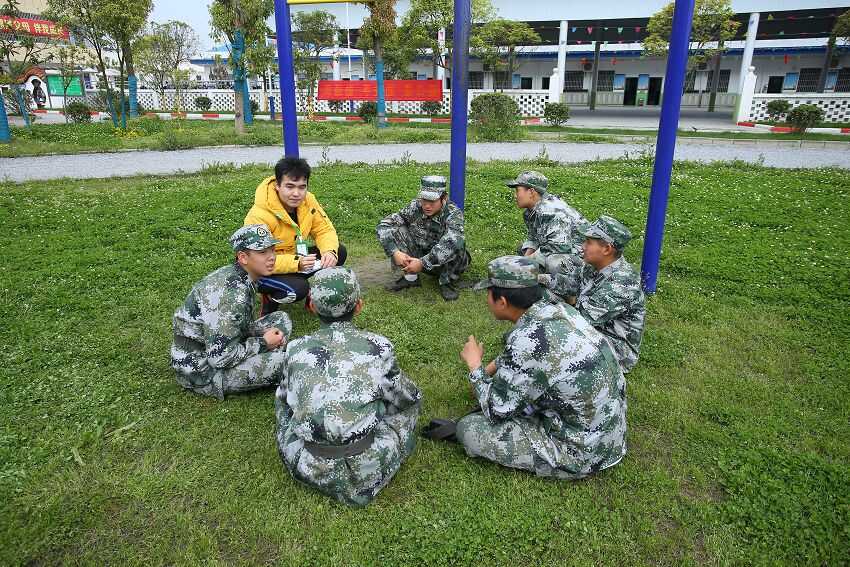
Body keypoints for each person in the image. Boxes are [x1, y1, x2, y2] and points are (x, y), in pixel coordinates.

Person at [426, 256, 627, 480]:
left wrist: (475, 366)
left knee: (469, 429)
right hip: (610, 436)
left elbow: (495, 410)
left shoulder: (527, 341)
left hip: (583, 453)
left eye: (488, 292)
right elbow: (527, 358)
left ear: (501, 301)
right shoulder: (558, 311)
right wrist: (492, 369)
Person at [274, 267, 422, 507]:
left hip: (306, 462)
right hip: (367, 465)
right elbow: (403, 396)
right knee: (405, 408)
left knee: (284, 407)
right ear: (359, 305)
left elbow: (284, 398)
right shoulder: (379, 347)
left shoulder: (295, 348)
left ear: (311, 306)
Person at [171, 225, 292, 400]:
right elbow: (219, 358)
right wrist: (263, 343)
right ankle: (274, 353)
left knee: (281, 318)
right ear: (243, 257)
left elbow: (235, 323)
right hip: (203, 370)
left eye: (272, 250)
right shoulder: (232, 297)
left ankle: (271, 350)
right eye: (263, 252)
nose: (271, 257)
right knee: (286, 362)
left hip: (214, 343)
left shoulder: (240, 275)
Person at [539, 215, 645, 374]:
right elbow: (571, 284)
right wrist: (537, 278)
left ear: (607, 249)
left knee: (545, 351)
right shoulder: (595, 265)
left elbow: (579, 322)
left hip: (613, 350)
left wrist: (539, 326)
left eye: (588, 242)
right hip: (591, 327)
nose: (582, 247)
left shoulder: (621, 284)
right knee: (540, 294)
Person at [244, 157, 347, 313]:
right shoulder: (259, 214)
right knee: (299, 289)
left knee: (338, 251)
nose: (296, 193)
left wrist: (328, 252)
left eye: (302, 187)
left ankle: (314, 296)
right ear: (277, 185)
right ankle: (270, 300)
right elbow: (257, 259)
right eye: (290, 186)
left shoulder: (308, 200)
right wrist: (297, 263)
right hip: (262, 270)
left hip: (297, 258)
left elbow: (324, 230)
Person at [376, 175, 471, 301]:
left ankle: (446, 281)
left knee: (456, 242)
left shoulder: (453, 214)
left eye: (432, 201)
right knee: (398, 229)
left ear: (444, 198)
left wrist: (422, 263)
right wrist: (395, 251)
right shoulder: (415, 207)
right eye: (424, 200)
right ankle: (411, 278)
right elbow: (385, 224)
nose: (426, 206)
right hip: (423, 255)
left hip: (451, 264)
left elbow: (453, 243)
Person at [508, 170, 588, 276]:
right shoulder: (531, 212)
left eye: (518, 191)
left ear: (531, 192)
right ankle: (536, 274)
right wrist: (525, 260)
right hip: (560, 248)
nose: (515, 195)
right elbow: (533, 239)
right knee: (523, 248)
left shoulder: (551, 211)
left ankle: (568, 285)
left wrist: (525, 263)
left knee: (555, 262)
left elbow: (559, 247)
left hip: (583, 255)